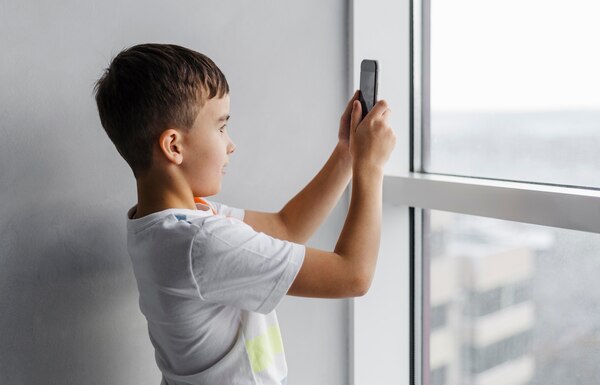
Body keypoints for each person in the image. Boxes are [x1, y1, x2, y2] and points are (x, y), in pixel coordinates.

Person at [93, 43, 396, 385]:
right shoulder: (200, 242)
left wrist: (346, 154)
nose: (230, 144)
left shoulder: (174, 225)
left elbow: (285, 228)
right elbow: (352, 274)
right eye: (221, 127)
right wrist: (371, 167)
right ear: (174, 146)